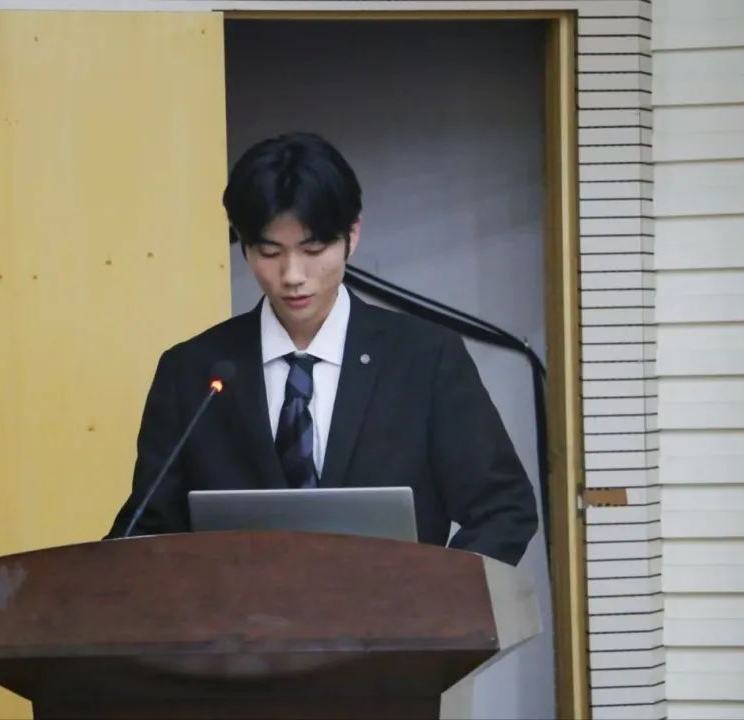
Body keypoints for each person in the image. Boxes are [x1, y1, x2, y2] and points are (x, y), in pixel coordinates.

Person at [105, 132, 537, 565]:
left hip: (394, 607)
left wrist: (435, 593)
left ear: (352, 234)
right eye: (269, 251)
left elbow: (503, 507)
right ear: (244, 244)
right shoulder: (191, 371)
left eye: (312, 249)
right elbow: (146, 528)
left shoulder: (425, 359)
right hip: (238, 608)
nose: (292, 275)